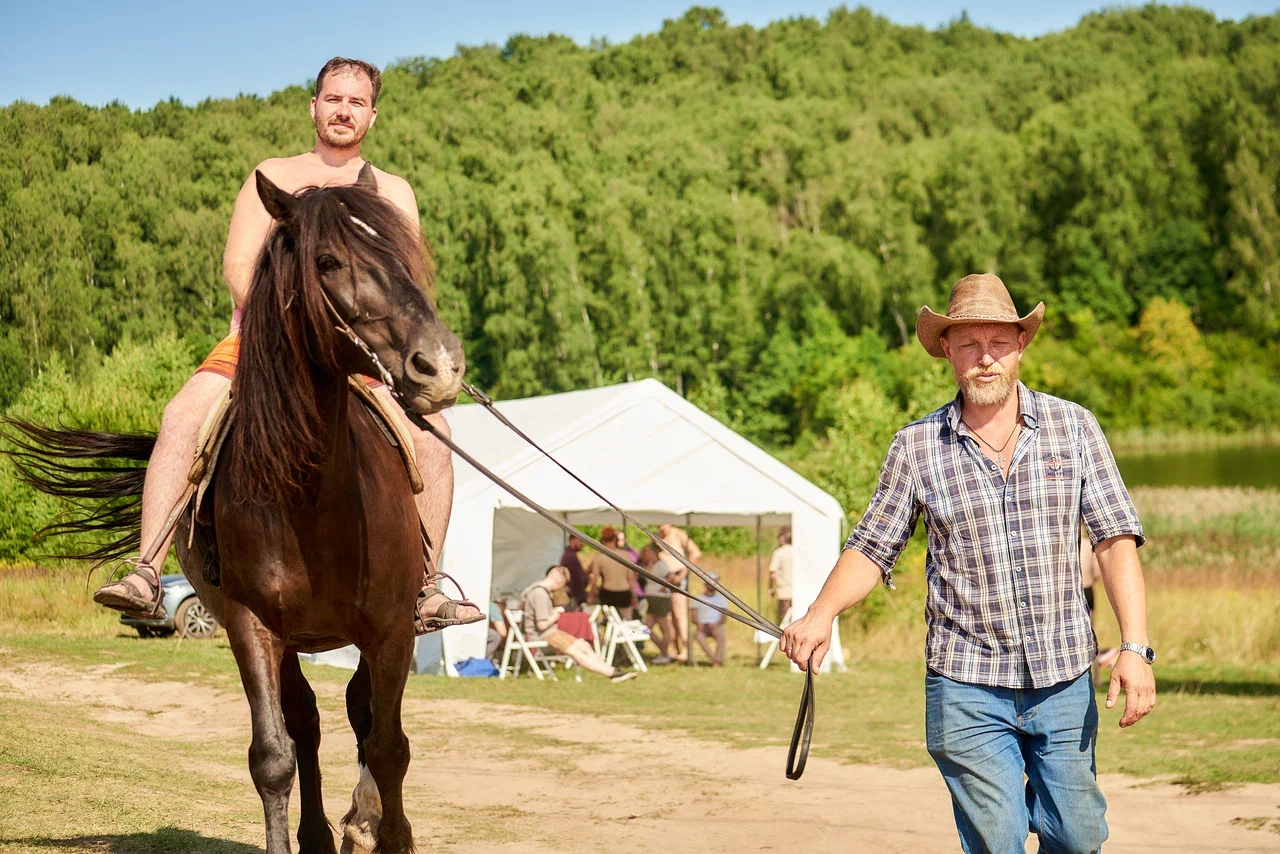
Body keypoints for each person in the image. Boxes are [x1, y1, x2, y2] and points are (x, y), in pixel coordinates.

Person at [90, 57, 481, 634]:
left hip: (363, 352)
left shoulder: (393, 191)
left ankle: (425, 586)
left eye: (355, 102)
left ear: (372, 115)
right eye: (333, 99)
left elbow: (404, 280)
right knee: (180, 418)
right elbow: (238, 266)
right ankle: (146, 570)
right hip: (262, 347)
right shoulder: (273, 174)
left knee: (437, 439)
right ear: (314, 106)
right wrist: (295, 329)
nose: (343, 110)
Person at [780, 274, 1156, 854]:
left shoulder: (1075, 428)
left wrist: (1134, 647)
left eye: (998, 344)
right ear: (948, 352)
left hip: (1062, 677)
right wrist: (820, 613)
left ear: (1020, 346)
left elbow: (1115, 540)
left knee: (1079, 838)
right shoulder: (916, 446)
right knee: (997, 841)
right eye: (969, 345)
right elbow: (873, 545)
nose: (985, 359)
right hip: (966, 683)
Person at [521, 566, 637, 682]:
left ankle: (612, 670)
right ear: (559, 581)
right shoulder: (540, 594)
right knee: (575, 651)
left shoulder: (540, 592)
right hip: (543, 636)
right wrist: (556, 615)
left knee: (584, 645)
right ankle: (611, 673)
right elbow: (542, 624)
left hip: (551, 633)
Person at [657, 523, 701, 663]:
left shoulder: (678, 534)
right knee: (668, 617)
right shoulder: (657, 536)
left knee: (680, 614)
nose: (662, 527)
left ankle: (686, 650)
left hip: (677, 577)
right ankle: (674, 649)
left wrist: (682, 574)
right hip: (663, 578)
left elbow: (696, 552)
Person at [638, 543, 675, 664]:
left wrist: (664, 588)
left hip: (660, 599)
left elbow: (671, 577)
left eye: (648, 552)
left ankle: (664, 654)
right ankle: (663, 649)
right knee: (646, 628)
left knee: (664, 626)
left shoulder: (661, 565)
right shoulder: (652, 565)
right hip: (652, 599)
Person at [590, 526, 636, 618]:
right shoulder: (626, 555)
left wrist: (592, 595)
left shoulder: (599, 558)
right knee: (626, 622)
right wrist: (634, 597)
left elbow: (594, 578)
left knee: (609, 623)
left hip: (607, 592)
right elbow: (631, 578)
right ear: (615, 539)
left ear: (602, 540)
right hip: (624, 591)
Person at [692, 573, 729, 667]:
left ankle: (716, 661)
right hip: (702, 626)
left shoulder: (721, 599)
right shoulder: (698, 598)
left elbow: (724, 616)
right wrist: (698, 624)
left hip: (715, 625)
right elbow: (693, 614)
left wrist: (717, 624)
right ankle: (714, 658)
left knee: (720, 636)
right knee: (699, 637)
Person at [768, 527, 793, 624]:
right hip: (797, 591)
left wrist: (770, 588)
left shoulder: (779, 553)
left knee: (783, 619)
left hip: (784, 591)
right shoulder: (798, 552)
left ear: (782, 538)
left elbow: (772, 573)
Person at [559, 534, 589, 609]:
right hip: (575, 598)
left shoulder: (570, 555)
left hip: (575, 596)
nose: (582, 544)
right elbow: (577, 580)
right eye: (580, 541)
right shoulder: (570, 557)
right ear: (573, 540)